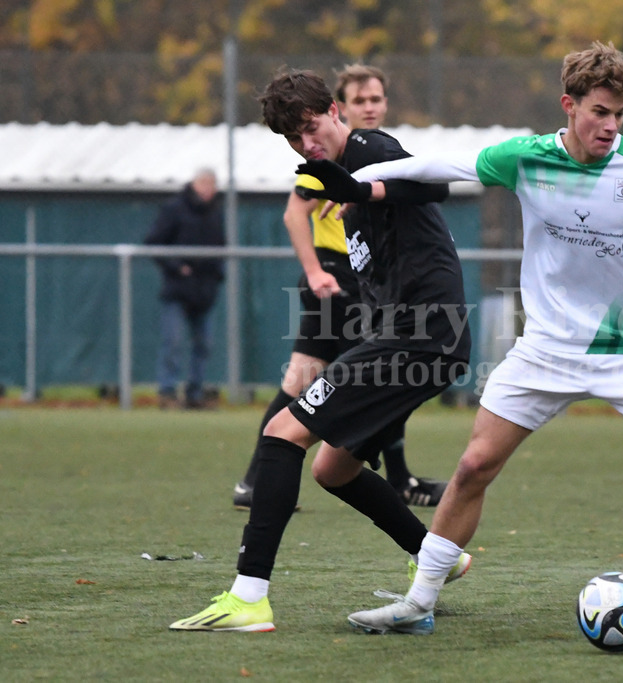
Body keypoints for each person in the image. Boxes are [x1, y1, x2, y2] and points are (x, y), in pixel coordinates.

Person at [305, 41, 623, 636]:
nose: (611, 126)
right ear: (569, 106)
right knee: (473, 466)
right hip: (547, 350)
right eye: (599, 112)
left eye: (619, 115)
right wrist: (358, 181)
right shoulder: (526, 158)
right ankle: (419, 600)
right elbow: (441, 167)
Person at [170, 69, 472, 632]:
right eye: (294, 140)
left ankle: (249, 597)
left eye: (310, 128)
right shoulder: (337, 183)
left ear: (335, 111)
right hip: (413, 337)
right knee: (333, 469)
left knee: (283, 432)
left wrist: (361, 187)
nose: (307, 145)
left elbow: (434, 186)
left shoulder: (368, 148)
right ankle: (441, 557)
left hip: (420, 335)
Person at [231, 64, 448, 510]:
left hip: (361, 282)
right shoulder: (326, 158)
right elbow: (295, 214)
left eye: (376, 100)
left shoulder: (371, 155)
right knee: (379, 375)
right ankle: (391, 480)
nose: (369, 108)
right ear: (340, 108)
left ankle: (258, 480)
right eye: (360, 101)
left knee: (314, 379)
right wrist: (315, 271)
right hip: (336, 280)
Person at [144, 168, 225, 409]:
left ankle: (195, 394)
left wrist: (216, 275)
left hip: (205, 291)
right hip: (178, 290)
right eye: (204, 183)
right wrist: (177, 267)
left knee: (204, 344)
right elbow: (154, 243)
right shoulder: (174, 208)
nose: (208, 189)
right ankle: (167, 393)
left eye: (212, 184)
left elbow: (222, 247)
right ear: (194, 184)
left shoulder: (216, 213)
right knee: (173, 342)